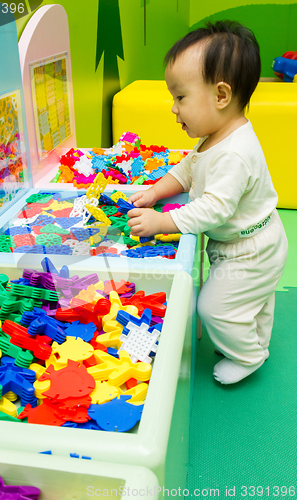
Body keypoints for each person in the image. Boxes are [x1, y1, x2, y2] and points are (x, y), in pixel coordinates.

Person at [127, 20, 288, 384]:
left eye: (180, 97)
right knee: (252, 301)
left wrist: (162, 221)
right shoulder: (214, 136)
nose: (173, 108)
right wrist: (156, 191)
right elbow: (187, 170)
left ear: (220, 96)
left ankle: (249, 356)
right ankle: (249, 338)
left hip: (252, 249)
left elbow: (215, 208)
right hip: (246, 241)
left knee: (214, 307)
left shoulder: (234, 153)